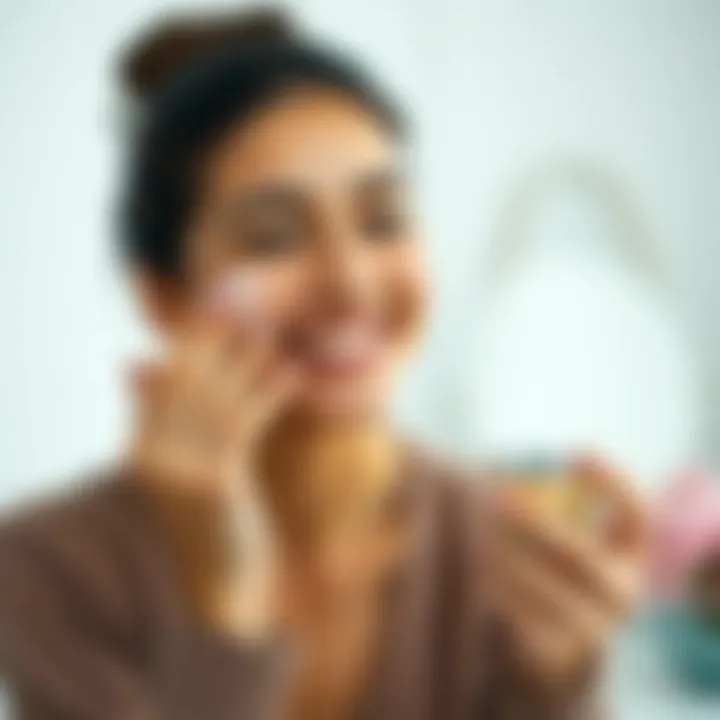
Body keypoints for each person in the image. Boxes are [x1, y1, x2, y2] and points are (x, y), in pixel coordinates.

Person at [0, 9, 645, 719]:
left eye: (383, 221)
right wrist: (223, 601)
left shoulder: (501, 554)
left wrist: (558, 686)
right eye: (273, 237)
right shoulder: (45, 570)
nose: (351, 285)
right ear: (164, 296)